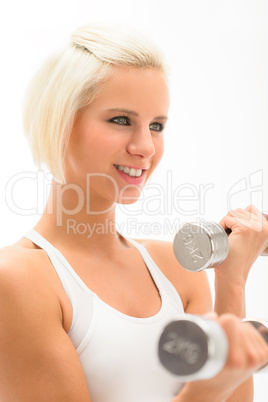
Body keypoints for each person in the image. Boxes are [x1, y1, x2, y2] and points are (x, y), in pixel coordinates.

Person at [0, 22, 267, 402]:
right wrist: (207, 389)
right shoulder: (16, 281)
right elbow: (214, 390)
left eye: (156, 125)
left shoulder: (176, 270)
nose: (146, 147)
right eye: (121, 120)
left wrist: (232, 281)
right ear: (60, 123)